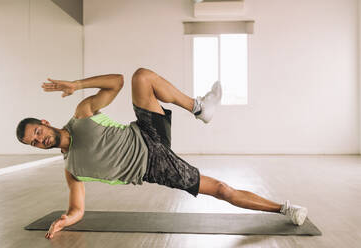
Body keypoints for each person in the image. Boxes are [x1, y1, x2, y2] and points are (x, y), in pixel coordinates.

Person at [16, 68, 308, 240]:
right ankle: (285, 209)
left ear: (44, 123)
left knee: (141, 76)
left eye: (37, 134)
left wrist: (77, 85)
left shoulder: (81, 114)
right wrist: (66, 219)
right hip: (154, 166)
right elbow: (77, 210)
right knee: (221, 189)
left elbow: (116, 81)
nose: (40, 141)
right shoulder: (72, 169)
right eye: (34, 143)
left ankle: (200, 108)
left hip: (146, 132)